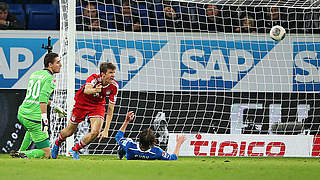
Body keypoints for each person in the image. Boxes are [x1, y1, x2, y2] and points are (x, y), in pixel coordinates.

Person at [51, 62, 118, 160]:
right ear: (103, 74)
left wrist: (106, 130)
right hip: (82, 103)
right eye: (111, 73)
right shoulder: (94, 79)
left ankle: (75, 149)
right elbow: (87, 90)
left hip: (97, 105)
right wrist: (96, 90)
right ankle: (57, 143)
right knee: (70, 131)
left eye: (114, 73)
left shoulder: (114, 86)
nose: (113, 75)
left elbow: (111, 109)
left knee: (95, 132)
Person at [10, 53, 64, 159]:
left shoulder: (35, 74)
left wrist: (53, 105)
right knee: (47, 153)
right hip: (34, 118)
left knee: (30, 131)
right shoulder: (50, 79)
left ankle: (20, 151)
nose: (60, 65)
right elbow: (43, 98)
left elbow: (37, 97)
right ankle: (22, 154)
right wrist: (44, 118)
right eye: (58, 62)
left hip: (22, 113)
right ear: (50, 65)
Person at [116, 111, 186, 160]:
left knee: (127, 140)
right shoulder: (157, 151)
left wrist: (126, 121)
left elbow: (118, 137)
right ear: (153, 142)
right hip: (150, 154)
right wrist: (179, 143)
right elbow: (173, 158)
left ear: (139, 139)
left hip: (132, 151)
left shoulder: (130, 146)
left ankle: (122, 151)